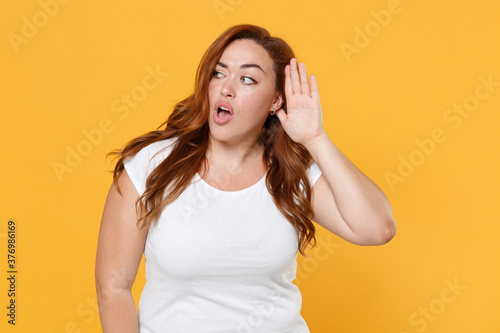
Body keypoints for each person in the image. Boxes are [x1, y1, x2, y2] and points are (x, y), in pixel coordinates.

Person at [95, 24, 396, 333]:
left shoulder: (291, 172)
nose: (227, 88)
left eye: (247, 79)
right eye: (219, 73)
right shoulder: (151, 165)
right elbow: (113, 287)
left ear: (276, 102)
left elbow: (378, 229)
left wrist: (316, 138)